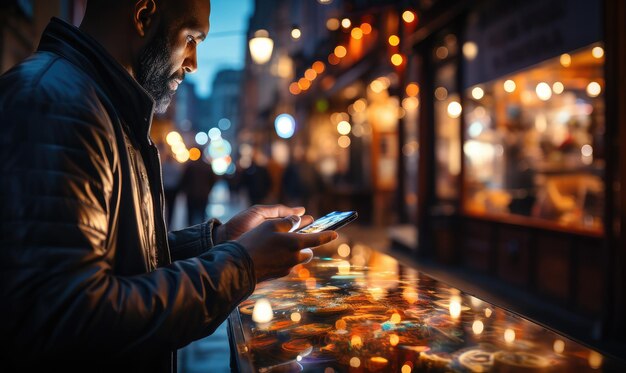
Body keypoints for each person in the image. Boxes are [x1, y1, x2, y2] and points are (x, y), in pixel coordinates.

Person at [0, 1, 337, 371]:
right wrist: (243, 264)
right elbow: (70, 317)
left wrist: (219, 241)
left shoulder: (98, 103)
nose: (192, 61)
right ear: (144, 15)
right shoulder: (56, 105)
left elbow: (117, 265)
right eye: (190, 38)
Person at [179, 158, 216, 226]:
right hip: (203, 194)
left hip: (191, 194)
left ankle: (190, 229)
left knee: (191, 214)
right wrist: (208, 190)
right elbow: (213, 180)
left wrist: (184, 190)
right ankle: (201, 230)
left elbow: (184, 179)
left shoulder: (190, 166)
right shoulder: (207, 166)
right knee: (202, 214)